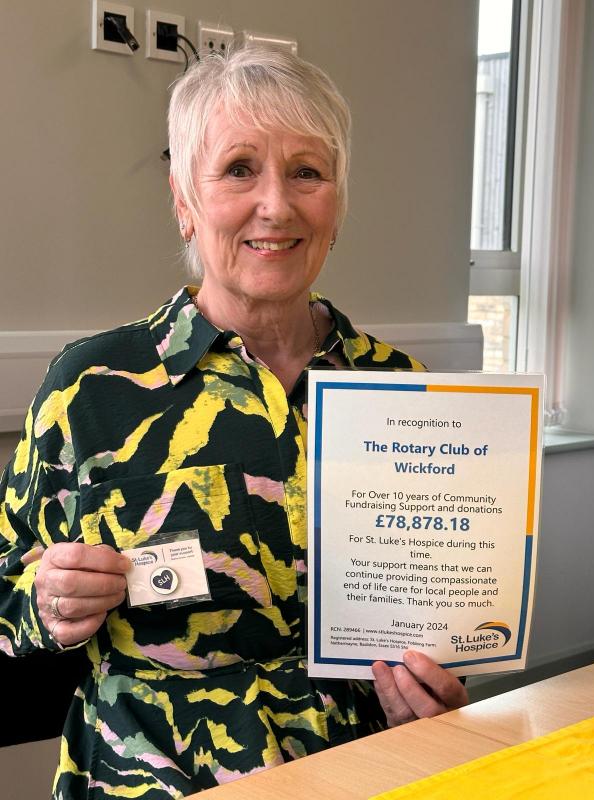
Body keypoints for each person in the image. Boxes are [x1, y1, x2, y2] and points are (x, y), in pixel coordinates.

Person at [0, 46, 467, 798]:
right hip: (158, 774)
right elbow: (6, 588)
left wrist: (432, 693)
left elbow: (437, 614)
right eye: (239, 169)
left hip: (357, 770)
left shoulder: (399, 388)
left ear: (338, 204)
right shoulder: (91, 388)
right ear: (184, 200)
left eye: (307, 172)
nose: (276, 206)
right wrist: (48, 601)